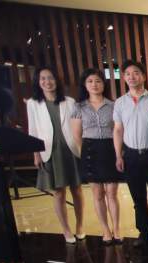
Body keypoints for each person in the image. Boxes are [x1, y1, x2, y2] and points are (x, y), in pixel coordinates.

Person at [113, 60, 148, 248]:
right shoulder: (120, 103)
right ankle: (143, 233)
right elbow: (118, 130)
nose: (132, 77)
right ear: (124, 77)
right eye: (127, 74)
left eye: (136, 72)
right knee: (138, 199)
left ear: (143, 76)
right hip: (131, 156)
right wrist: (118, 155)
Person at [26, 66, 84, 244]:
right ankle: (66, 229)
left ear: (57, 80)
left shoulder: (70, 101)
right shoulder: (33, 103)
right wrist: (36, 154)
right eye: (43, 78)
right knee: (58, 193)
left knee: (77, 190)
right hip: (49, 151)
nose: (47, 82)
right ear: (38, 82)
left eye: (50, 78)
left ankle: (80, 226)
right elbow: (33, 130)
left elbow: (78, 127)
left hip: (71, 150)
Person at [71, 68, 124, 246]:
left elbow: (118, 130)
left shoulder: (113, 105)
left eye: (98, 81)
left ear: (104, 84)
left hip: (110, 148)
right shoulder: (78, 107)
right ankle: (105, 230)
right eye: (90, 81)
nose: (94, 84)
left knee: (112, 193)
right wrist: (85, 154)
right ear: (85, 85)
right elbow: (77, 136)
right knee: (98, 194)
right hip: (90, 150)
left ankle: (116, 228)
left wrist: (119, 153)